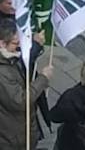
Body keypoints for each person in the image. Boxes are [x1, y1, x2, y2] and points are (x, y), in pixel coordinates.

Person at [0, 17, 52, 150]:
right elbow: (20, 101)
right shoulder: (2, 73)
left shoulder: (9, 58)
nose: (18, 46)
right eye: (15, 43)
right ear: (2, 43)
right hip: (12, 137)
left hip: (18, 131)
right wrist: (43, 79)